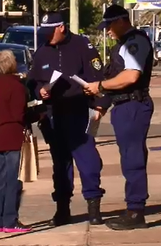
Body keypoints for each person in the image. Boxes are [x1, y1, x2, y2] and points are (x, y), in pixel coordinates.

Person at [27, 12, 111, 226]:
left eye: (50, 31)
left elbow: (99, 79)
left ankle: (94, 207)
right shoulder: (42, 52)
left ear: (62, 27)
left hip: (80, 112)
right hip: (54, 115)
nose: (47, 36)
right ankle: (62, 210)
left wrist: (100, 107)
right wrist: (40, 92)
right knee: (60, 165)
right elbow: (32, 83)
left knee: (89, 162)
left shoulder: (83, 46)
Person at [83, 4, 155, 231]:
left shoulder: (135, 43)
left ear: (122, 21)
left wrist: (100, 85)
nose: (108, 31)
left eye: (110, 26)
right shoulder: (124, 44)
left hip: (133, 105)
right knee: (129, 157)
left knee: (133, 159)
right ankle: (133, 208)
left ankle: (135, 211)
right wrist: (101, 103)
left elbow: (131, 76)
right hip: (123, 106)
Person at [0, 50, 40, 233]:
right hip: (13, 137)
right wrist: (39, 113)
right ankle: (10, 221)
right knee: (13, 181)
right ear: (11, 64)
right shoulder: (17, 86)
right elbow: (20, 115)